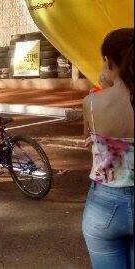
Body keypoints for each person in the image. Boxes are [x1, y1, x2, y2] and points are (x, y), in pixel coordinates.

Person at [82, 28, 134, 269]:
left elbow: (89, 142)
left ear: (107, 61)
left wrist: (105, 82)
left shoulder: (92, 103)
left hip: (105, 206)